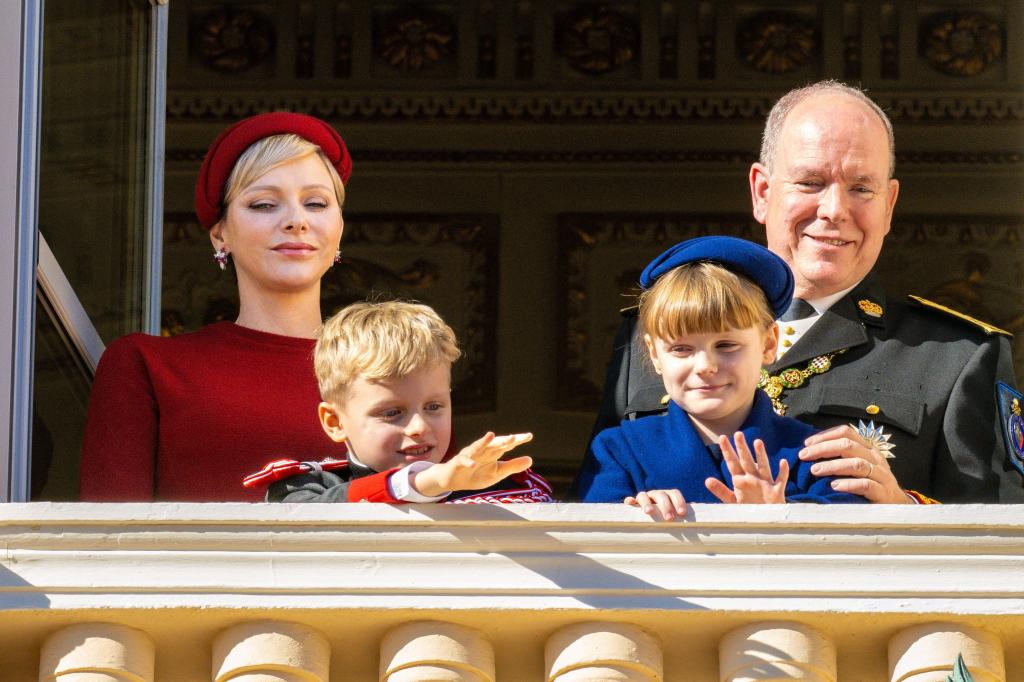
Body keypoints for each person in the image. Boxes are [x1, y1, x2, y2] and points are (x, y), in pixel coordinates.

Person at [579, 80, 1023, 504]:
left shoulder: (958, 356)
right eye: (811, 183)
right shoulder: (648, 334)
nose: (834, 210)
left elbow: (1005, 538)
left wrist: (901, 505)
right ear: (762, 192)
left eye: (861, 188)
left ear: (888, 206)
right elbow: (590, 511)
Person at [81, 112, 355, 501]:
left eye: (315, 203)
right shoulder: (147, 365)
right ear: (220, 234)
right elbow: (106, 539)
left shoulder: (394, 369)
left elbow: (443, 524)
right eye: (263, 205)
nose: (296, 220)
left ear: (339, 227)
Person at [575, 237, 866, 518]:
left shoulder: (814, 453)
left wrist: (782, 512)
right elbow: (590, 545)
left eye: (726, 345)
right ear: (654, 354)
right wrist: (635, 515)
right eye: (681, 348)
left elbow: (853, 542)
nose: (705, 365)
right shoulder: (620, 449)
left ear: (768, 344)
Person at [244, 300, 554, 504]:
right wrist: (424, 484)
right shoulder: (303, 490)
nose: (419, 427)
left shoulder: (493, 487)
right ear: (335, 422)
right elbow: (306, 521)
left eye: (434, 407)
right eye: (392, 412)